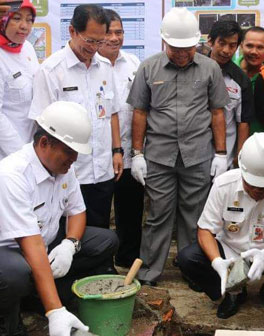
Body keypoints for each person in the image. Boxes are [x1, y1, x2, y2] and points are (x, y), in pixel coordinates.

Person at [127, 8, 229, 286]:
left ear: (197, 43)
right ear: (164, 42)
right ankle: (149, 272)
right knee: (158, 215)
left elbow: (217, 112)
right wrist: (137, 154)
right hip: (159, 156)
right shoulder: (149, 68)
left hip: (198, 155)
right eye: (176, 48)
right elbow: (140, 112)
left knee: (194, 218)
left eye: (188, 48)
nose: (183, 54)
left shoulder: (210, 68)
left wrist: (221, 154)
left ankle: (192, 270)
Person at [0, 101, 119, 335]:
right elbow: (30, 244)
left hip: (44, 244)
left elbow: (77, 211)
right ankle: (8, 320)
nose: (74, 158)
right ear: (44, 143)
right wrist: (55, 312)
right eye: (69, 151)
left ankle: (39, 295)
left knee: (106, 240)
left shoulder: (64, 168)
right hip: (11, 253)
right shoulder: (12, 175)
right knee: (16, 274)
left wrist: (70, 244)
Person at [178, 133, 264, 322]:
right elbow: (205, 230)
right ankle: (232, 293)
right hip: (231, 250)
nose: (257, 190)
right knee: (188, 258)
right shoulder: (224, 185)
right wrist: (216, 261)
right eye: (252, 185)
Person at [29, 4, 123, 230]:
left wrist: (117, 151)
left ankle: (102, 265)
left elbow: (112, 112)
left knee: (100, 226)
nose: (95, 48)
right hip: (69, 170)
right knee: (66, 227)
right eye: (90, 41)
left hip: (102, 168)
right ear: (72, 31)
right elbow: (42, 126)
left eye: (99, 41)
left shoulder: (104, 67)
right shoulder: (51, 71)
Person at [98, 9, 143, 269]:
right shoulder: (91, 65)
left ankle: (127, 260)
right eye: (109, 32)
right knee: (100, 213)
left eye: (119, 32)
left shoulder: (134, 64)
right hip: (101, 155)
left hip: (129, 152)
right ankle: (101, 263)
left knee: (130, 212)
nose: (114, 38)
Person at [208, 20, 254, 169]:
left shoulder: (241, 80)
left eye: (232, 45)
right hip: (195, 156)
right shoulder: (194, 69)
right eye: (222, 43)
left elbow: (244, 122)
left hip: (225, 158)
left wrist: (238, 156)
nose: (226, 50)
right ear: (210, 41)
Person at [0, 0, 39, 160]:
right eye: (16, 18)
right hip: (9, 156)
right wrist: (21, 155)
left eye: (29, 19)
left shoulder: (27, 48)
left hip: (34, 149)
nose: (24, 26)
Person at [235, 26, 264, 133]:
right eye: (249, 46)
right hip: (232, 144)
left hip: (263, 144)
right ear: (241, 46)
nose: (254, 52)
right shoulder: (228, 73)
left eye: (260, 47)